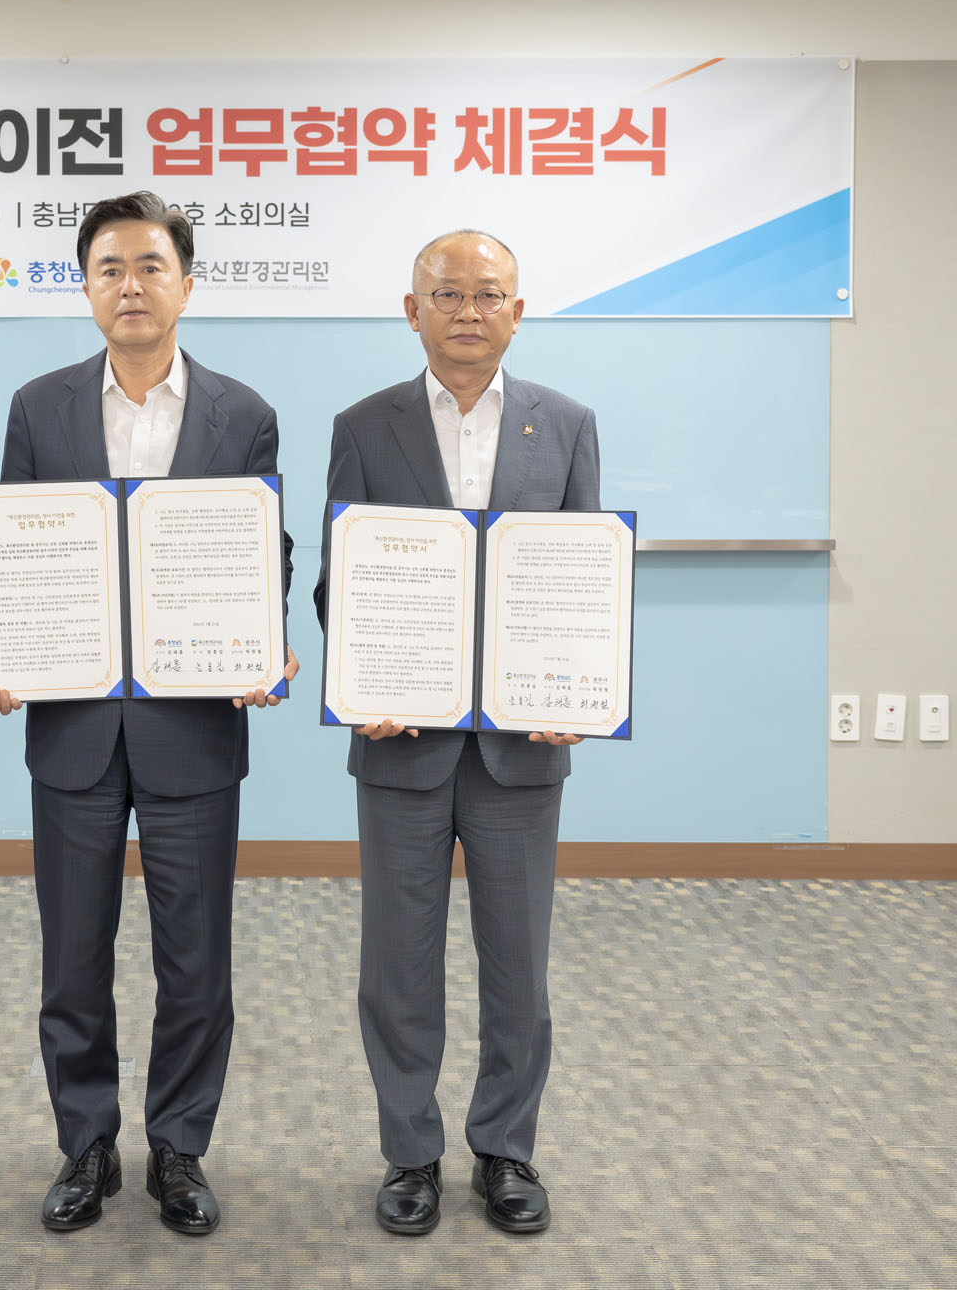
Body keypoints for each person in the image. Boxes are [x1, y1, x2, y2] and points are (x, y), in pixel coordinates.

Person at [0, 192, 295, 1236]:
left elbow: (263, 548)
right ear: (86, 286)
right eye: (110, 267)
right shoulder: (40, 406)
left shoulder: (243, 412)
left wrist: (264, 641)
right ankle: (86, 1143)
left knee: (195, 959)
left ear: (186, 283)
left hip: (194, 729)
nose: (131, 285)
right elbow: (12, 547)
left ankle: (180, 1147)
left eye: (151, 266)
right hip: (73, 729)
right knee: (73, 955)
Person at [313, 229, 598, 1238]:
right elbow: (340, 579)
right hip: (402, 741)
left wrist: (577, 682)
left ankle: (507, 1147)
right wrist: (360, 677)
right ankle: (410, 1152)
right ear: (412, 309)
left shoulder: (567, 424)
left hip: (522, 748)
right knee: (398, 966)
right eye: (447, 293)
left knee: (519, 965)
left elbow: (580, 576)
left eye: (488, 293)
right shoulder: (364, 425)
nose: (468, 310)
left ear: (518, 309)